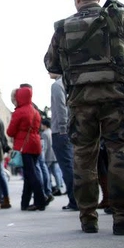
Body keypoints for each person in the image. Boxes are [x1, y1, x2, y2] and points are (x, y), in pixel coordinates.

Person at [44, 0, 124, 235]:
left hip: (81, 102)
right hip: (116, 99)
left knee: (84, 158)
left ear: (77, 0)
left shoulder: (63, 27)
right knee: (119, 155)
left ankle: (88, 218)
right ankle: (123, 218)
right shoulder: (118, 18)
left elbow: (51, 64)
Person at [7, 87, 45, 212]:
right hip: (35, 143)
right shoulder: (35, 111)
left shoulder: (19, 112)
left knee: (31, 175)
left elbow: (10, 131)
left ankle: (40, 201)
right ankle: (25, 202)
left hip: (24, 145)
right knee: (30, 175)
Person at [48, 72, 77, 211]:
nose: (48, 71)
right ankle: (78, 198)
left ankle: (74, 200)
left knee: (67, 167)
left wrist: (62, 128)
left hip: (60, 132)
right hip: (71, 129)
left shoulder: (56, 85)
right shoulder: (70, 82)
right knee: (72, 165)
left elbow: (61, 108)